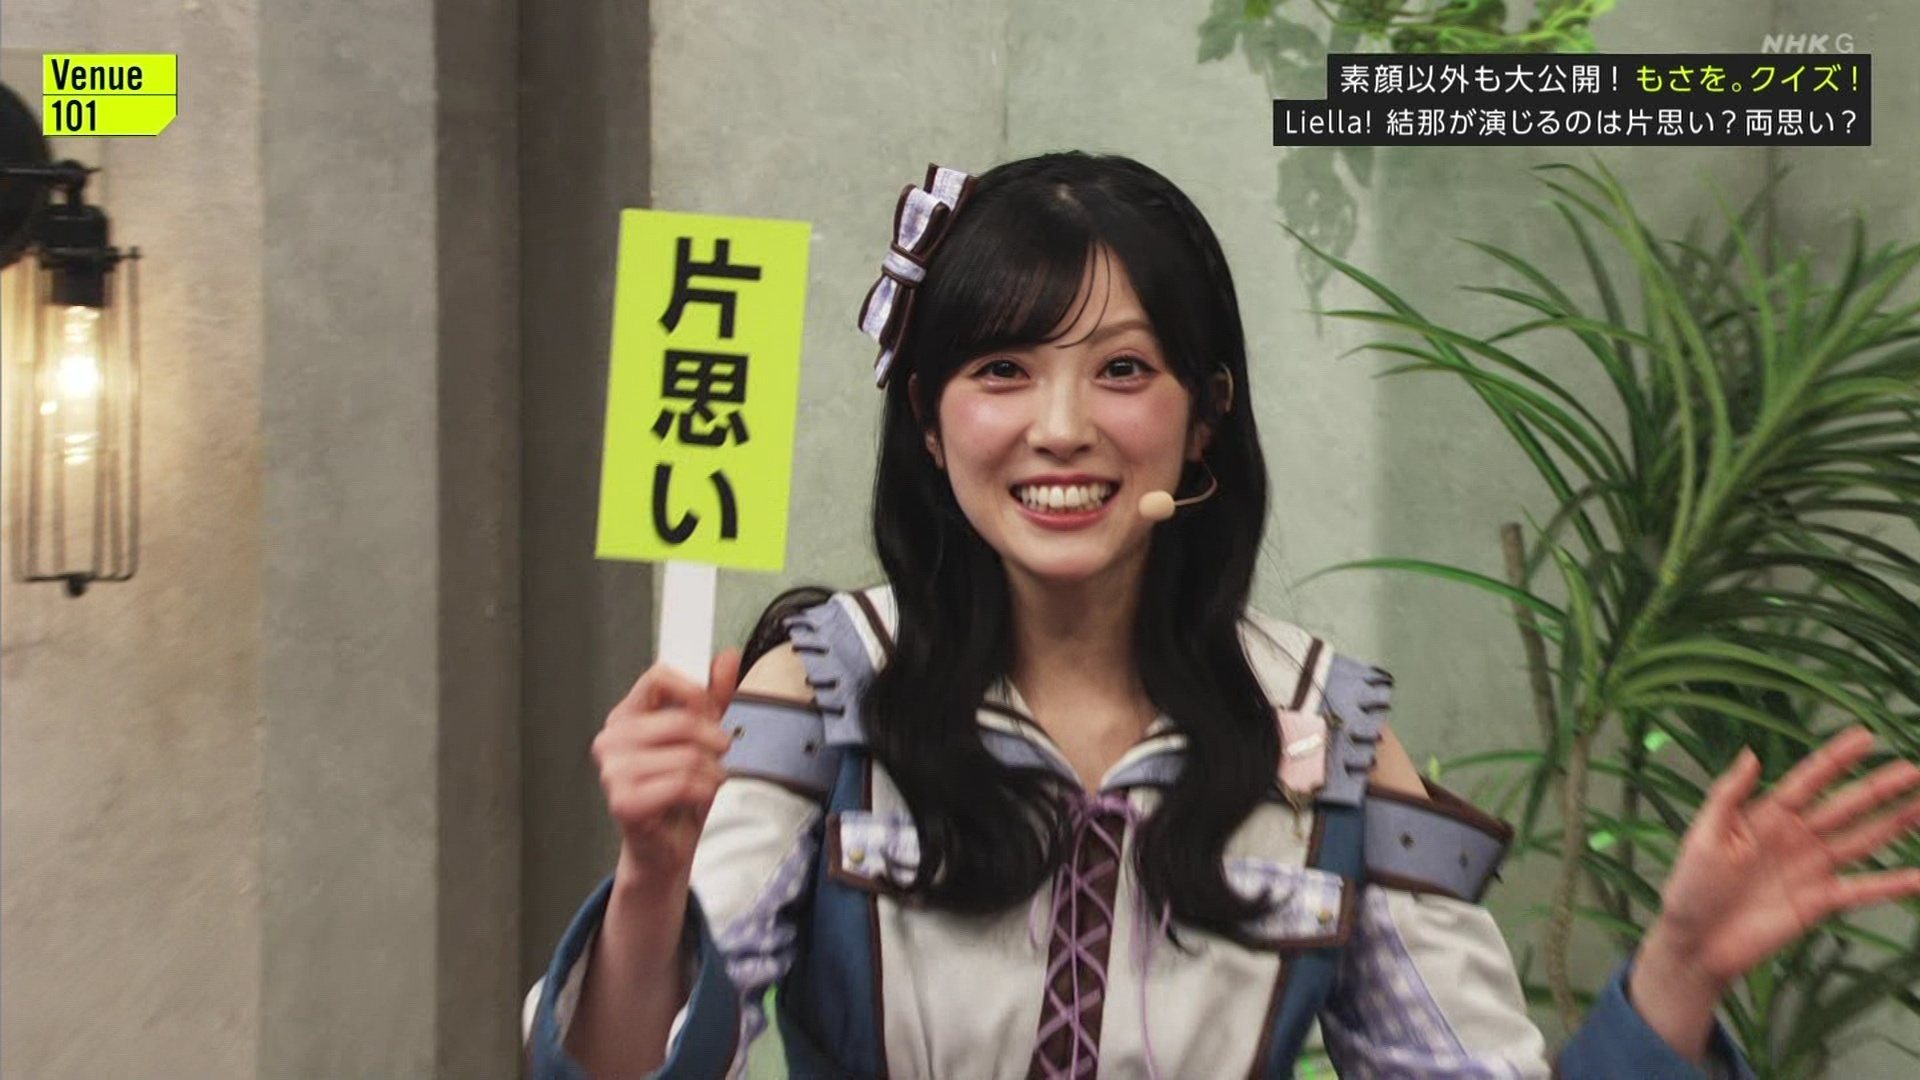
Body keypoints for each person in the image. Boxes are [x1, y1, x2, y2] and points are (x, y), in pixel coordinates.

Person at [525, 153, 1920, 1080]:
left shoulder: (1329, 733)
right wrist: (651, 877)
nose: (1061, 427)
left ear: (1204, 421)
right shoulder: (822, 694)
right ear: (931, 425)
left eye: (1123, 369)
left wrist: (1677, 970)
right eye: (1002, 369)